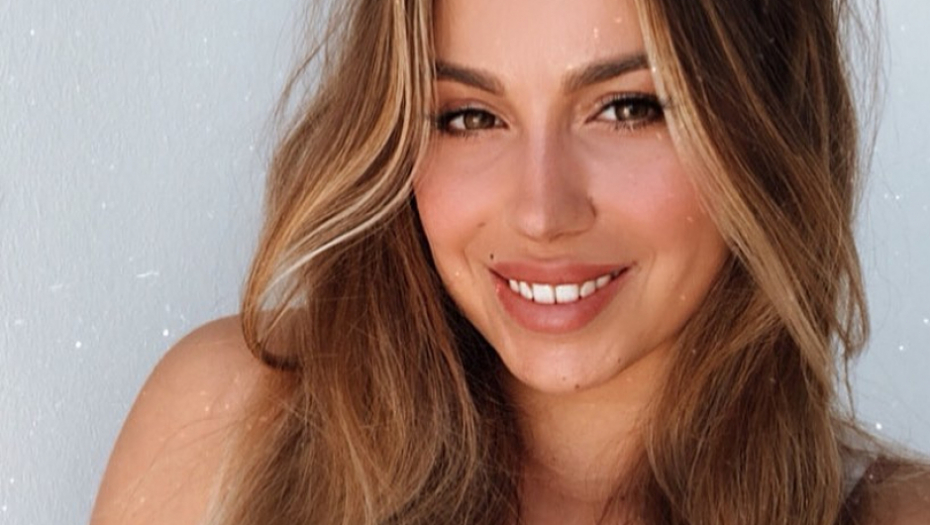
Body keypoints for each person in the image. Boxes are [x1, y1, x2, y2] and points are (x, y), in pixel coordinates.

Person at [91, 0, 930, 523]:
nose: (540, 211)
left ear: (764, 125)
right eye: (470, 116)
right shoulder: (229, 423)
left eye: (626, 108)